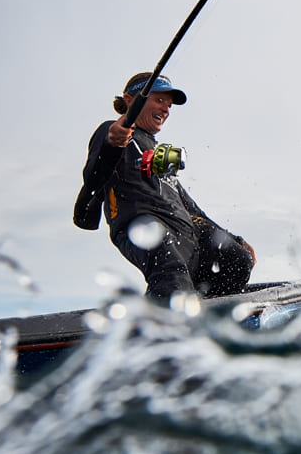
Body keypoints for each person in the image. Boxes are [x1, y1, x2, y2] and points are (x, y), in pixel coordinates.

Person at [78, 72, 255, 304]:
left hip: (185, 232)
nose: (165, 109)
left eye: (169, 105)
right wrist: (112, 143)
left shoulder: (157, 150)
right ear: (130, 100)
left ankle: (208, 311)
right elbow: (93, 177)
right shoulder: (111, 131)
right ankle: (163, 321)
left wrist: (235, 239)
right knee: (170, 273)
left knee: (238, 259)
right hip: (144, 227)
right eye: (158, 100)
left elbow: (190, 206)